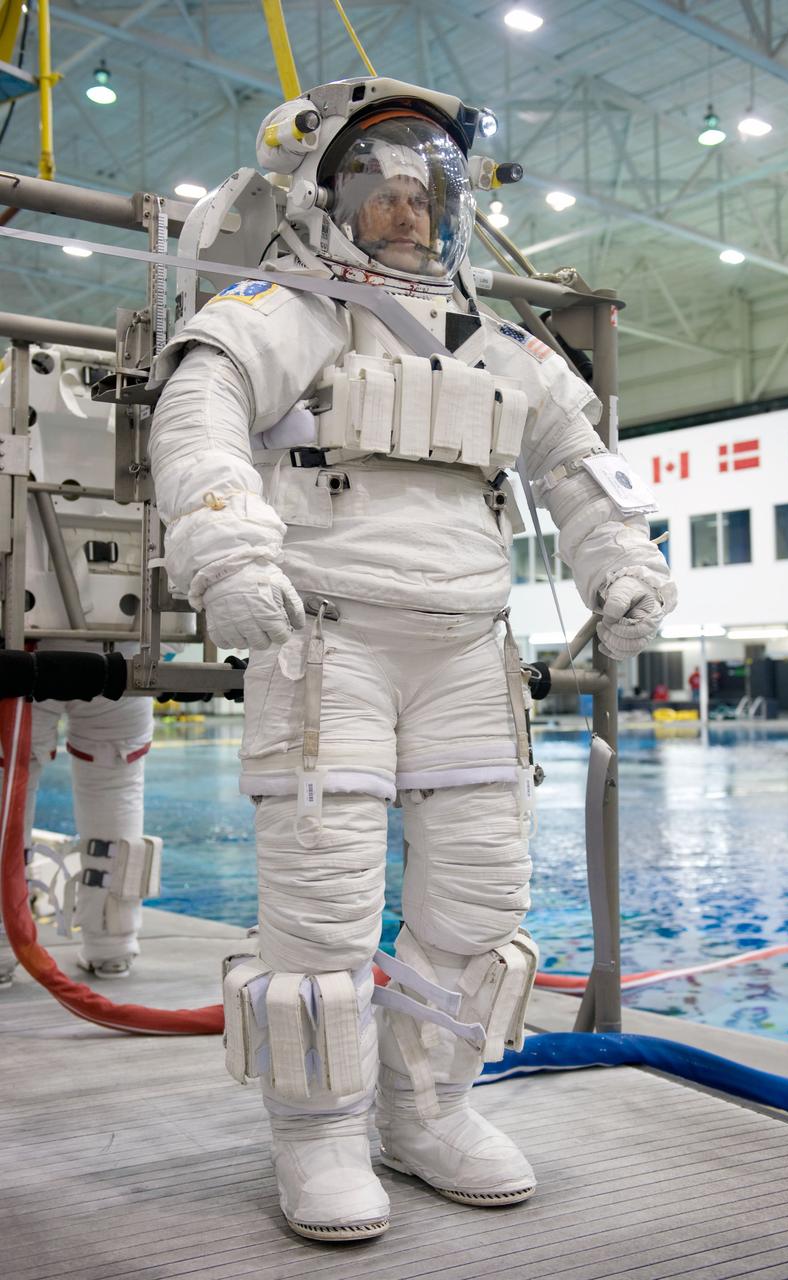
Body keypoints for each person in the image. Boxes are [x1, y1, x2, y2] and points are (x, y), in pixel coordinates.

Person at [149, 77, 676, 1242]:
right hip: (324, 641)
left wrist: (624, 570)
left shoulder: (501, 343)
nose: (404, 204)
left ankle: (428, 1107)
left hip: (467, 649)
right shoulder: (279, 310)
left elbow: (581, 468)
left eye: (426, 185)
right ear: (327, 192)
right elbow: (199, 416)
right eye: (378, 181)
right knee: (325, 910)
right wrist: (228, 546)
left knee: (481, 896)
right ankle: (320, 1131)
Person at [0, 347, 165, 984]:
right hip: (124, 643)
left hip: (27, 643)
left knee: (13, 791)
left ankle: (4, 945)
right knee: (117, 791)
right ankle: (113, 943)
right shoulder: (151, 414)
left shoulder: (17, 394)